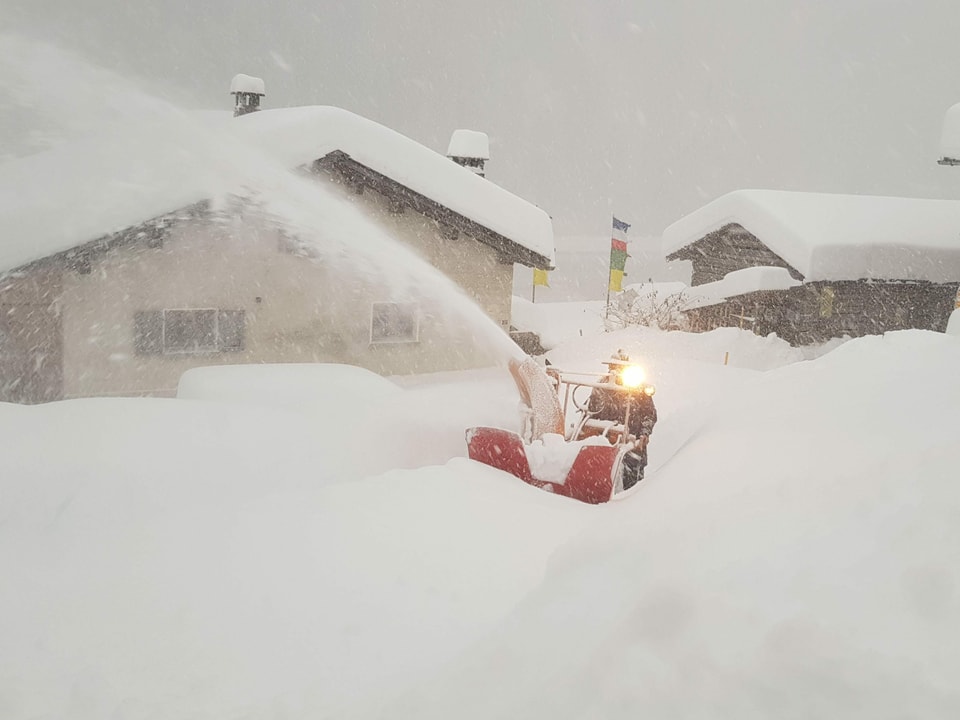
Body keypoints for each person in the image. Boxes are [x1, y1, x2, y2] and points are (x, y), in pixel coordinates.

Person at [586, 351, 657, 490]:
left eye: (620, 368)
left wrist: (644, 434)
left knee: (631, 483)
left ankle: (626, 505)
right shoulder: (601, 386)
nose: (616, 371)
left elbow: (649, 414)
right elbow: (592, 410)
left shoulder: (638, 388)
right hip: (604, 442)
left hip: (631, 444)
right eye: (613, 367)